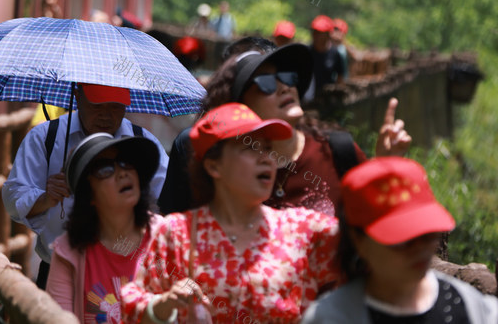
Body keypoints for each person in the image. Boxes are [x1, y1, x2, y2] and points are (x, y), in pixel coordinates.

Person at [122, 103, 342, 323]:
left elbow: (363, 246)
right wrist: (164, 305)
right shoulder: (177, 234)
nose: (266, 158)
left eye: (267, 148)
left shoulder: (300, 229)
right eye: (250, 148)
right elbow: (132, 310)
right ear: (214, 167)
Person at [158, 42, 412, 217]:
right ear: (238, 105)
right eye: (267, 83)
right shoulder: (217, 164)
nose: (285, 87)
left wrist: (385, 166)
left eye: (289, 77)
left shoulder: (336, 149)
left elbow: (372, 221)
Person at [2, 84, 169, 289]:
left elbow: (166, 196)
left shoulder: (142, 143)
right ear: (77, 95)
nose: (106, 115)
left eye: (116, 106)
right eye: (97, 105)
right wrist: (44, 198)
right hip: (59, 268)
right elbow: (13, 197)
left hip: (126, 274)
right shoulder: (46, 137)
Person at [303, 158, 498, 323]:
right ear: (359, 241)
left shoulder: (469, 304)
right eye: (402, 239)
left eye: (428, 235)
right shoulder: (329, 317)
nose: (420, 248)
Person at [48, 133, 165, 322]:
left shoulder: (166, 235)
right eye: (105, 169)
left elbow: (193, 298)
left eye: (126, 163)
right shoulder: (67, 253)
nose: (122, 173)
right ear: (89, 196)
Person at [307, 15, 346, 100]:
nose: (315, 35)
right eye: (314, 31)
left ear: (328, 35)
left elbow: (340, 78)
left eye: (319, 32)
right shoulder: (307, 52)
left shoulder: (335, 53)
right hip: (308, 98)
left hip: (327, 99)